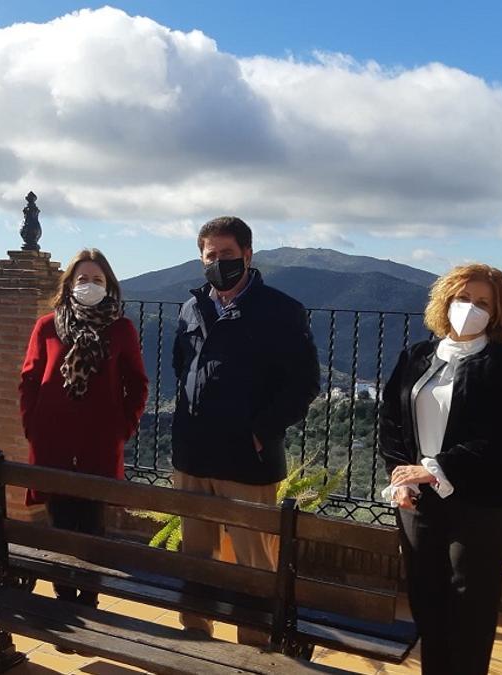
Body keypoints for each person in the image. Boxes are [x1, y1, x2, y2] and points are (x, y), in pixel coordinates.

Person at [169, 216, 320, 644]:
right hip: (193, 456)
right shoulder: (191, 307)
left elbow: (304, 384)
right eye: (210, 256)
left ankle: (253, 647)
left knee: (253, 561)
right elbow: (183, 367)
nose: (219, 263)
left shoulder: (280, 310)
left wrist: (261, 431)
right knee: (197, 554)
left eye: (227, 255)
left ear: (248, 255)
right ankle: (195, 635)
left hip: (247, 458)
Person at [379, 263, 502, 675]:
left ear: (497, 312)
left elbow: (499, 441)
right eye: (463, 298)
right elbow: (391, 419)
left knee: (470, 611)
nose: (470, 308)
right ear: (445, 302)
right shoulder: (416, 357)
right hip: (418, 503)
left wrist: (433, 470)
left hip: (480, 505)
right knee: (427, 604)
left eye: (482, 302)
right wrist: (401, 476)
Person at [19, 248, 148, 607]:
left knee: (93, 529)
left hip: (98, 446)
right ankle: (64, 601)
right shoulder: (47, 326)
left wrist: (124, 427)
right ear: (69, 284)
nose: (89, 284)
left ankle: (88, 602)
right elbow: (29, 379)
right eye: (82, 278)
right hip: (52, 444)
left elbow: (137, 384)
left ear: (108, 285)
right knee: (59, 526)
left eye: (97, 279)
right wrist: (32, 424)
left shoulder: (121, 329)